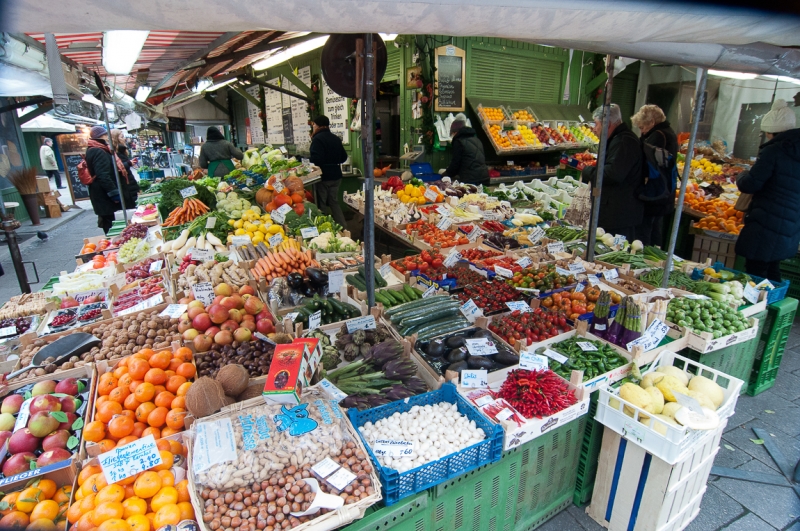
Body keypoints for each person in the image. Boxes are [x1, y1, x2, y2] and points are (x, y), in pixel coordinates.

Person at [735, 99, 800, 281]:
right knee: (772, 270)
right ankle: (772, 306)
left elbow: (750, 184)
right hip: (791, 224)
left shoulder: (773, 152)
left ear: (771, 132)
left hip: (766, 222)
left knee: (756, 274)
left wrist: (742, 175)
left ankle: (759, 308)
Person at [581, 104, 643, 241]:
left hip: (620, 216)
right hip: (616, 212)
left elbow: (611, 174)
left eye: (596, 124)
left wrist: (586, 170)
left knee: (615, 251)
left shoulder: (623, 142)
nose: (594, 129)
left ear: (607, 124)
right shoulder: (619, 139)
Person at [631, 104, 678, 246]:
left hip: (654, 192)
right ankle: (656, 258)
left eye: (642, 127)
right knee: (655, 229)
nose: (642, 132)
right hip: (665, 191)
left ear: (652, 122)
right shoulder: (669, 132)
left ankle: (644, 259)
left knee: (644, 231)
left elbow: (643, 163)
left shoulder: (657, 136)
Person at [85, 126, 128, 234]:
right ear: (102, 136)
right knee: (111, 226)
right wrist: (114, 194)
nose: (107, 137)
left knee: (110, 223)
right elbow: (103, 175)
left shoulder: (94, 149)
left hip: (102, 196)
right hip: (104, 197)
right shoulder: (98, 151)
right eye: (105, 135)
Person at [309, 115, 348, 227]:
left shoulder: (317, 139)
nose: (313, 127)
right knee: (334, 202)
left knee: (322, 204)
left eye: (314, 125)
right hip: (336, 175)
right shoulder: (335, 138)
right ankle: (343, 226)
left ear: (317, 125)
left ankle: (325, 228)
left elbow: (316, 159)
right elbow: (343, 157)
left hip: (324, 176)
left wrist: (306, 160)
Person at [443, 113, 489, 186]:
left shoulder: (459, 142)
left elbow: (455, 164)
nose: (452, 136)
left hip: (470, 180)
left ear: (455, 132)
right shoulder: (476, 139)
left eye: (452, 134)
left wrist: (444, 175)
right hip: (484, 178)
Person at [110, 129, 139, 208]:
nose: (124, 138)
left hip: (128, 182)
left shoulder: (121, 150)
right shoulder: (115, 152)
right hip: (126, 183)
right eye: (122, 136)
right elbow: (117, 167)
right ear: (116, 138)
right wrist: (128, 163)